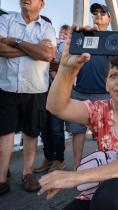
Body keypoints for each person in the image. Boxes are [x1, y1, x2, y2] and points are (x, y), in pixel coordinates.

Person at [38, 27, 118, 210]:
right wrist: (67, 68)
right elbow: (56, 106)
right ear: (106, 83)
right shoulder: (99, 109)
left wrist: (75, 177)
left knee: (114, 193)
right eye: (113, 76)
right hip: (103, 183)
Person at [0, 0, 56, 195]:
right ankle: (1, 179)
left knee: (31, 132)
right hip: (8, 87)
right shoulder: (6, 19)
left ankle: (27, 173)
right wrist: (34, 49)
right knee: (4, 132)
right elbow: (0, 49)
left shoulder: (47, 27)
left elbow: (48, 54)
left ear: (42, 4)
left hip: (35, 89)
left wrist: (15, 42)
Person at [65, 3, 112, 167]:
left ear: (109, 18)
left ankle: (105, 172)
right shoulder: (83, 36)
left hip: (104, 95)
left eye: (102, 13)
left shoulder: (114, 40)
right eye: (95, 13)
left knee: (104, 136)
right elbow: (70, 61)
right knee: (77, 133)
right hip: (80, 93)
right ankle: (78, 171)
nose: (98, 15)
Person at [34, 24, 71, 173]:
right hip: (42, 90)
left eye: (66, 33)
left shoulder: (67, 48)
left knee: (56, 128)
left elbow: (65, 65)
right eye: (61, 32)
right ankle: (48, 158)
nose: (63, 34)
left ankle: (59, 160)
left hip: (57, 91)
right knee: (44, 128)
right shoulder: (51, 44)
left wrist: (56, 62)